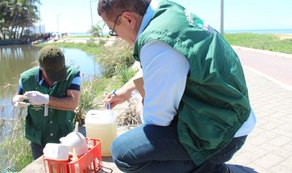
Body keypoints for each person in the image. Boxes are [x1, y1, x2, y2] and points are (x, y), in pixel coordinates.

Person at [99, 0, 257, 173]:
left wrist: (140, 107)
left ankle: (215, 169)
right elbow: (166, 64)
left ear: (128, 19)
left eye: (113, 30)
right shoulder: (167, 14)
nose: (117, 36)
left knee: (123, 152)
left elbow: (157, 121)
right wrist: (125, 91)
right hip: (230, 116)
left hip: (223, 134)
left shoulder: (156, 42)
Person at [12, 45, 81, 160]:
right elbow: (17, 95)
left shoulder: (73, 75)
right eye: (52, 73)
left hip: (63, 136)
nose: (56, 78)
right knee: (42, 167)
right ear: (41, 68)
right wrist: (15, 101)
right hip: (38, 138)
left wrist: (47, 99)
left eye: (59, 71)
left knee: (65, 166)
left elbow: (73, 103)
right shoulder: (26, 78)